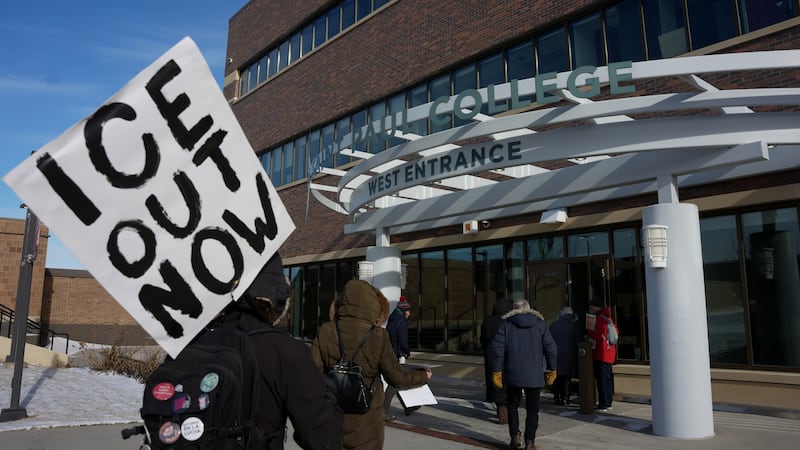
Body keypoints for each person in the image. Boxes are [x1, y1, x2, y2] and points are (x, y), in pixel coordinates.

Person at [214, 253, 343, 449]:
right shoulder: (287, 351)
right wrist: (327, 393)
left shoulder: (199, 342)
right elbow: (324, 440)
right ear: (276, 301)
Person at [311, 280, 432, 449]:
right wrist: (422, 376)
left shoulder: (326, 331)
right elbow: (397, 378)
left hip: (332, 419)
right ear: (373, 305)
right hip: (367, 426)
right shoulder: (378, 336)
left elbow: (310, 375)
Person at [492, 299, 557, 450]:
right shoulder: (541, 325)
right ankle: (530, 442)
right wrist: (552, 369)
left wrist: (497, 371)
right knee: (533, 409)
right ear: (529, 309)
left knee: (513, 405)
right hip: (534, 375)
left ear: (514, 310)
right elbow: (552, 349)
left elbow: (497, 350)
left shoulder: (506, 325)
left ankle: (515, 435)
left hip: (513, 373)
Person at [480, 296, 512, 424]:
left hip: (491, 356)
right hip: (506, 356)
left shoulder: (488, 321)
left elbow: (483, 339)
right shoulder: (509, 321)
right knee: (507, 383)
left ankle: (501, 409)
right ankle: (505, 411)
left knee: (496, 382)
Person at [383, 295, 414, 421]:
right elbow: (403, 341)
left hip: (391, 353)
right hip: (398, 355)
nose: (410, 313)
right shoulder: (401, 322)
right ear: (404, 311)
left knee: (399, 380)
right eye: (408, 311)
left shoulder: (392, 319)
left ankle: (410, 405)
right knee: (395, 382)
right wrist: (406, 352)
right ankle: (384, 410)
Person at [587, 296, 618, 411]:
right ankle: (608, 401)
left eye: (591, 306)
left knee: (601, 379)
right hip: (609, 353)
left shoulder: (599, 319)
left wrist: (589, 330)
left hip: (601, 353)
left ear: (596, 307)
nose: (590, 308)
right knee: (607, 379)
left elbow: (597, 335)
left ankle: (604, 403)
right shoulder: (608, 318)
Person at [548, 306, 580, 406]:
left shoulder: (553, 325)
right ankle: (565, 398)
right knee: (567, 378)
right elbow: (578, 341)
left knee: (557, 377)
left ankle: (556, 396)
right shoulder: (573, 327)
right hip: (569, 356)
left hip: (555, 356)